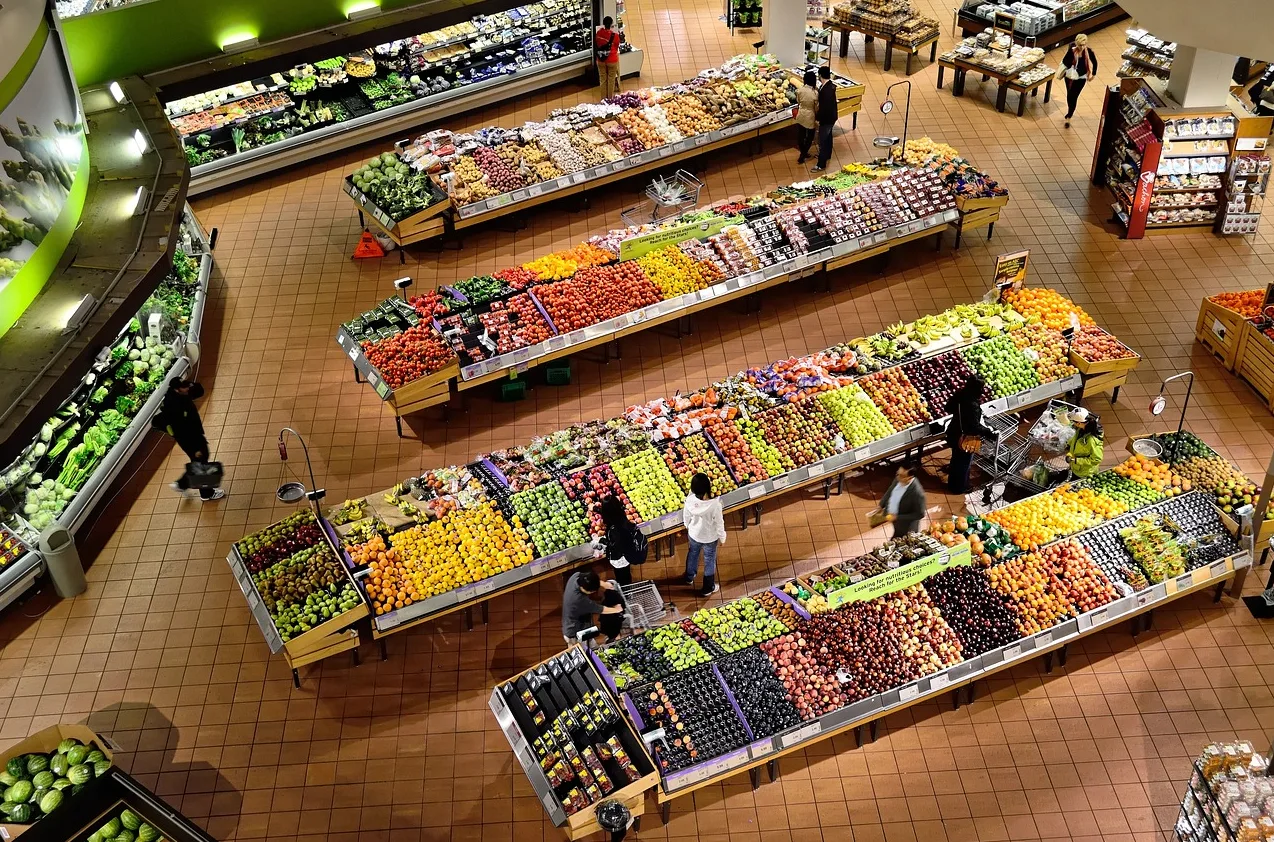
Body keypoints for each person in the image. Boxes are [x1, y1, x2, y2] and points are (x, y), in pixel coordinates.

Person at [154, 378, 225, 502]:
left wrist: (191, 385)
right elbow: (182, 432)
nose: (188, 389)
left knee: (200, 460)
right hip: (190, 440)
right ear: (177, 389)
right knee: (201, 463)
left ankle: (182, 484)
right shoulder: (174, 407)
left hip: (195, 435)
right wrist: (195, 448)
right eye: (185, 387)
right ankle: (206, 494)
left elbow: (199, 391)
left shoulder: (180, 394)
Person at [944, 376, 997, 495]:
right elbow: (974, 427)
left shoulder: (961, 394)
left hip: (954, 432)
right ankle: (959, 487)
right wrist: (989, 433)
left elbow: (948, 407)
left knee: (956, 459)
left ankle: (953, 484)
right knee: (963, 463)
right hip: (965, 438)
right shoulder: (972, 404)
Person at [682, 473, 726, 597]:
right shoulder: (715, 505)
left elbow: (686, 516)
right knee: (709, 560)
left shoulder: (690, 500)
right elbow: (719, 523)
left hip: (694, 534)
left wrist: (688, 526)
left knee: (693, 553)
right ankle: (708, 587)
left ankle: (689, 577)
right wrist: (722, 537)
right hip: (709, 537)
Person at [562, 569, 624, 645]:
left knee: (591, 643)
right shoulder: (579, 600)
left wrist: (603, 584)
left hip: (580, 622)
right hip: (575, 632)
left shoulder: (575, 577)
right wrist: (617, 609)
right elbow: (600, 609)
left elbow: (589, 578)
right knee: (584, 649)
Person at [596, 495, 642, 586]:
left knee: (622, 576)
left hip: (620, 557)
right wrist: (595, 509)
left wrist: (603, 541)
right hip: (628, 553)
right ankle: (627, 588)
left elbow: (615, 546)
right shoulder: (621, 517)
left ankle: (626, 592)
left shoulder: (615, 528)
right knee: (626, 573)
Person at [1057, 33, 1098, 128]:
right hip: (1069, 76)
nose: (1082, 47)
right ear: (1076, 43)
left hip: (1081, 77)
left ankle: (1069, 115)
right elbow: (1065, 61)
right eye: (1080, 45)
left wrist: (1093, 74)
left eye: (1084, 45)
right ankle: (1070, 110)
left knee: (1074, 96)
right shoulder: (1072, 50)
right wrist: (1070, 65)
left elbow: (1095, 62)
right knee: (1069, 95)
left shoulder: (1089, 52)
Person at [876, 465, 926, 538]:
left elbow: (920, 514)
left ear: (910, 478)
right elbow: (890, 490)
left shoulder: (917, 493)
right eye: (897, 474)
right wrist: (881, 505)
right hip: (896, 522)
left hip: (906, 527)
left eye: (901, 475)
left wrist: (897, 517)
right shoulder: (899, 479)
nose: (898, 477)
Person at [812, 66, 838, 173]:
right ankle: (827, 155)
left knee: (822, 140)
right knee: (828, 137)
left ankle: (820, 164)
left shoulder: (826, 90)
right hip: (831, 117)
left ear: (820, 75)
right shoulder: (829, 86)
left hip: (826, 119)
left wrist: (818, 118)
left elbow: (824, 107)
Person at [1065, 408, 1105, 479]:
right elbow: (1075, 438)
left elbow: (1096, 459)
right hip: (1076, 467)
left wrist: (1075, 460)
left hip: (1084, 472)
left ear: (1079, 423)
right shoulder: (1082, 429)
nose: (1073, 423)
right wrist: (1069, 444)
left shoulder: (1092, 440)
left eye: (1073, 422)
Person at [595, 16, 621, 98]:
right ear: (611, 25)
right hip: (612, 60)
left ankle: (603, 99)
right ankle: (610, 99)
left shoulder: (598, 33)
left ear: (603, 24)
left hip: (601, 59)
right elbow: (616, 47)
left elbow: (597, 43)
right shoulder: (615, 36)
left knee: (603, 79)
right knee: (611, 80)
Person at [795, 70, 818, 165]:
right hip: (810, 115)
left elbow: (798, 101)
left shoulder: (800, 90)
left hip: (801, 114)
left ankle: (803, 152)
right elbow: (816, 106)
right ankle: (803, 154)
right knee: (810, 137)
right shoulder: (815, 93)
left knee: (801, 135)